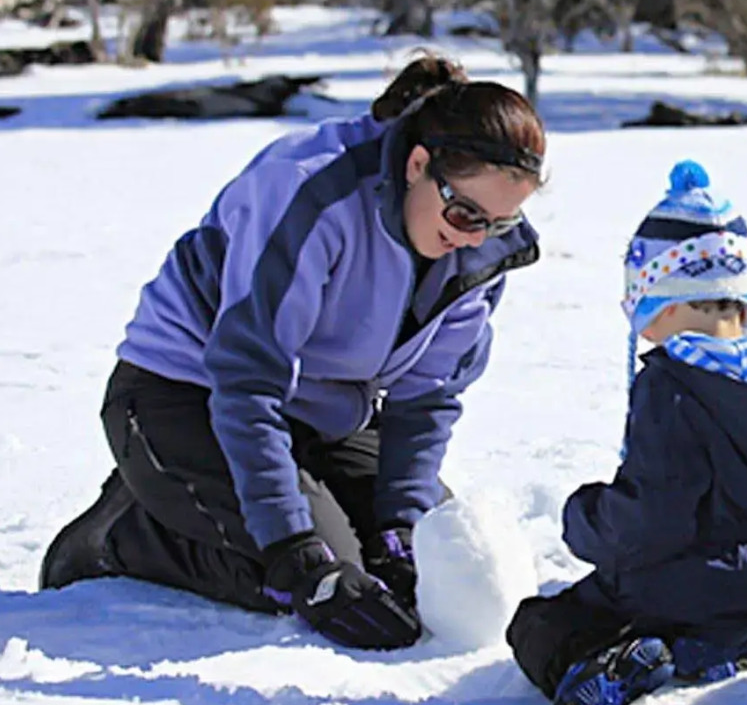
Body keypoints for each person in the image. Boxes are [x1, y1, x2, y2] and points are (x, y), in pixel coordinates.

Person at [38, 56, 546, 651]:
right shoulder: (310, 193)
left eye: (500, 221)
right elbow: (247, 381)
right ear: (417, 166)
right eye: (465, 214)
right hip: (185, 397)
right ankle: (126, 533)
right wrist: (291, 550)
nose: (474, 238)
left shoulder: (482, 249)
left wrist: (401, 528)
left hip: (321, 414)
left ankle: (234, 507)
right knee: (314, 576)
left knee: (431, 563)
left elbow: (427, 398)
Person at [507, 160, 747, 705]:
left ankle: (615, 666)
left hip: (680, 588)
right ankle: (718, 647)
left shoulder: (674, 385)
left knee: (538, 625)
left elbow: (655, 513)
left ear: (666, 302)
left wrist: (586, 520)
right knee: (718, 604)